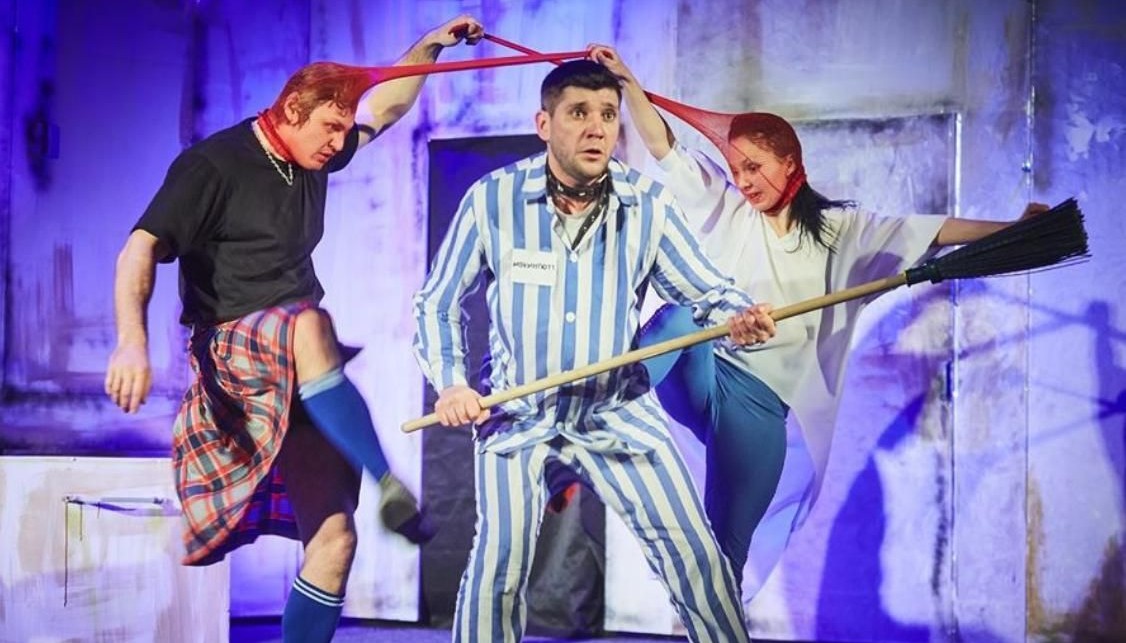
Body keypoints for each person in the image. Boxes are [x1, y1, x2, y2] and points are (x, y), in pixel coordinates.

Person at [590, 44, 1050, 596]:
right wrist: (626, 81)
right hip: (709, 377)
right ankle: (602, 404)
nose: (744, 181)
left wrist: (1012, 228)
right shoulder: (727, 206)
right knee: (677, 320)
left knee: (721, 561)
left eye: (754, 167)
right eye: (736, 169)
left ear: (790, 162)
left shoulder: (842, 231)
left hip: (762, 409)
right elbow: (664, 146)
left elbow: (931, 231)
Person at [103, 16, 484, 643]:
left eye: (343, 128)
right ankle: (387, 479)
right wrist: (131, 341)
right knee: (307, 321)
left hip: (300, 368)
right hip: (232, 353)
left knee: (335, 538)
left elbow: (386, 110)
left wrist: (430, 46)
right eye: (329, 127)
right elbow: (139, 248)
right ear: (290, 110)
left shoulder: (311, 155)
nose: (338, 142)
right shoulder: (212, 165)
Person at [412, 59, 777, 642]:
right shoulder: (493, 200)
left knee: (696, 558)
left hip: (616, 409)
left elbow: (707, 289)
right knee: (497, 567)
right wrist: (451, 381)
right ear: (544, 123)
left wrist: (739, 316)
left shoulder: (646, 204)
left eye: (607, 114)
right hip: (518, 412)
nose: (596, 128)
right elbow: (437, 303)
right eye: (579, 113)